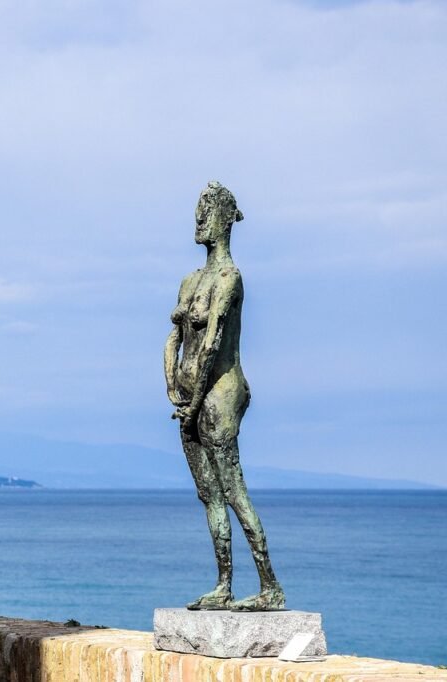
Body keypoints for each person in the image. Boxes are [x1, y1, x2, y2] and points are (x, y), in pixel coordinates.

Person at [163, 181, 285, 611]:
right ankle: (224, 584)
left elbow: (213, 343)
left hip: (219, 394)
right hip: (188, 398)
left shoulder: (229, 279)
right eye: (197, 208)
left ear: (226, 218)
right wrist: (171, 385)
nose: (199, 217)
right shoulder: (190, 280)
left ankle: (270, 586)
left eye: (208, 209)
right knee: (209, 494)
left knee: (233, 490)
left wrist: (194, 402)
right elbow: (174, 338)